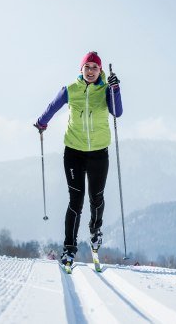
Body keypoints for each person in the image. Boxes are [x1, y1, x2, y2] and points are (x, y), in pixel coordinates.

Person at [34, 51, 122, 266]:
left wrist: (115, 89)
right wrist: (41, 122)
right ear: (80, 69)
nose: (90, 71)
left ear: (100, 70)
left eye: (94, 67)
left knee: (97, 197)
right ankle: (69, 249)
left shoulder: (106, 90)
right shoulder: (70, 89)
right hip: (73, 152)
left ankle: (95, 230)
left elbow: (117, 112)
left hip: (99, 153)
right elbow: (52, 106)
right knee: (76, 201)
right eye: (87, 67)